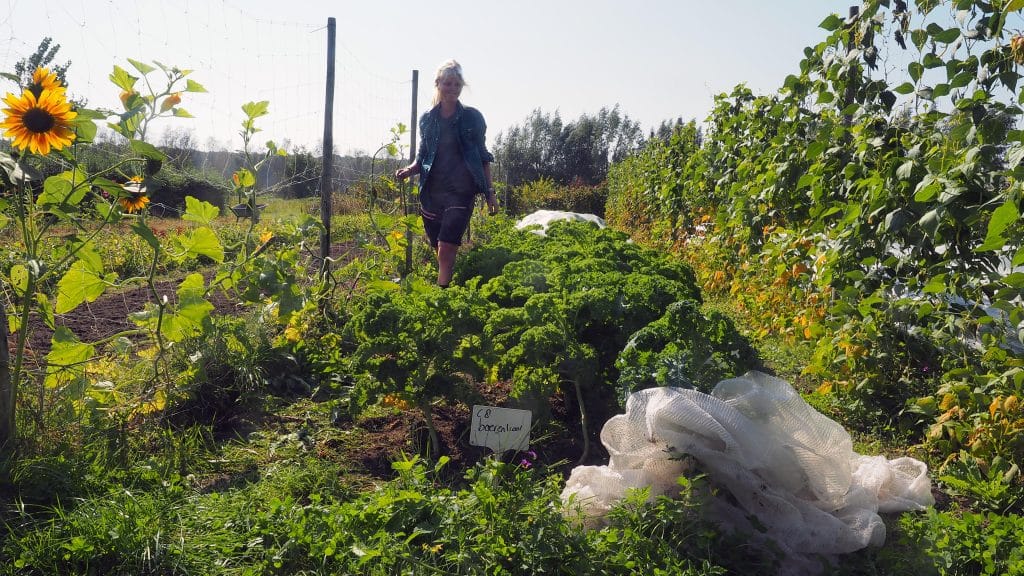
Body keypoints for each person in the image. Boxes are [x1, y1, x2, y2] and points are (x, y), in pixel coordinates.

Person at [395, 59, 498, 288]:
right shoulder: (427, 120)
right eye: (448, 83)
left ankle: (442, 293)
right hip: (432, 191)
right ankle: (448, 279)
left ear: (461, 87)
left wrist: (490, 192)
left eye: (457, 85)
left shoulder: (473, 118)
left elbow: (483, 157)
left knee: (447, 245)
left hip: (461, 191)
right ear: (438, 84)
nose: (452, 89)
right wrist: (410, 169)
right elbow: (422, 156)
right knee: (439, 246)